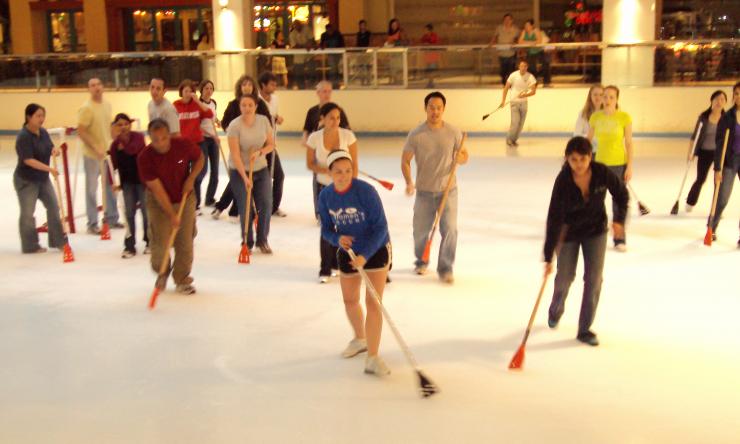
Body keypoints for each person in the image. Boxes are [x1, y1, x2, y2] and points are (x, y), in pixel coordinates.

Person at [544, 136, 629, 347]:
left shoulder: (601, 172)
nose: (579, 164)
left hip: (595, 231)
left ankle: (584, 329)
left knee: (594, 279)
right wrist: (548, 256)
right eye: (574, 160)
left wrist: (619, 220)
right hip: (569, 233)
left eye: (583, 159)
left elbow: (621, 193)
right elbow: (554, 216)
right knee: (565, 276)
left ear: (590, 157)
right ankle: (556, 308)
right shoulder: (563, 181)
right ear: (567, 160)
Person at [318, 150, 392, 376]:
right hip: (348, 252)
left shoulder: (366, 192)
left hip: (376, 249)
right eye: (338, 172)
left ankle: (373, 356)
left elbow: (381, 228)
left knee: (373, 303)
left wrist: (366, 255)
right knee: (350, 300)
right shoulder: (326, 196)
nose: (344, 175)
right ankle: (360, 339)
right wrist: (337, 239)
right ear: (330, 173)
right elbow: (326, 229)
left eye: (348, 171)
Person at [402, 91, 468, 283]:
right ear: (426, 109)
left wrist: (460, 158)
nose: (435, 111)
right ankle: (421, 261)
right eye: (432, 107)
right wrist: (409, 182)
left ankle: (446, 267)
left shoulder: (454, 132)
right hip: (424, 191)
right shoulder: (416, 134)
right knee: (420, 231)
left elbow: (465, 156)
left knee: (450, 229)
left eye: (439, 108)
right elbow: (405, 161)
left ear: (443, 109)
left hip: (448, 191)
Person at [137, 119, 204, 295]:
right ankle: (162, 271)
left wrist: (191, 179)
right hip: (158, 203)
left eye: (164, 138)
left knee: (185, 242)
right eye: (155, 139)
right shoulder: (145, 158)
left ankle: (182, 278)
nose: (160, 143)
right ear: (149, 138)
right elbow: (158, 192)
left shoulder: (182, 145)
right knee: (160, 245)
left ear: (170, 135)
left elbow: (200, 159)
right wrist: (172, 215)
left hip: (185, 197)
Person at [306, 102, 359, 283]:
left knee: (344, 226)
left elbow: (354, 165)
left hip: (344, 188)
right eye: (331, 118)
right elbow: (310, 164)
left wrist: (353, 186)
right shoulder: (314, 138)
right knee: (327, 227)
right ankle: (325, 268)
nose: (335, 121)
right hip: (324, 189)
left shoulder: (348, 136)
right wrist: (327, 172)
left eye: (338, 118)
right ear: (322, 119)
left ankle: (340, 263)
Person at [212, 75, 273, 221]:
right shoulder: (233, 104)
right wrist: (235, 136)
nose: (247, 87)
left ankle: (254, 209)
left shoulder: (260, 104)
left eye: (249, 84)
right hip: (239, 149)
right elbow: (226, 123)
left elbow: (267, 123)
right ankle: (224, 207)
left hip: (258, 149)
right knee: (239, 178)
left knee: (253, 179)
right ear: (240, 87)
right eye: (244, 84)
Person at [227, 95, 276, 254]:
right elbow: (235, 155)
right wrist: (245, 177)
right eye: (243, 105)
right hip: (239, 170)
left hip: (260, 168)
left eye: (250, 105)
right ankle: (247, 241)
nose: (247, 108)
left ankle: (263, 240)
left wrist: (260, 152)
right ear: (240, 107)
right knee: (245, 205)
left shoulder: (263, 121)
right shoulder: (235, 126)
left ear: (255, 106)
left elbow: (271, 145)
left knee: (266, 204)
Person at [13, 103, 65, 254]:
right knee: (28, 213)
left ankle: (58, 241)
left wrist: (55, 150)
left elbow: (50, 147)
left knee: (54, 207)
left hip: (42, 179)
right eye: (38, 116)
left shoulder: (43, 132)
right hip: (26, 180)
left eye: (43, 115)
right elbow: (28, 160)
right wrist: (49, 169)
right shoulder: (23, 137)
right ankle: (30, 245)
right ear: (29, 117)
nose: (42, 119)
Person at [587, 85, 633, 251]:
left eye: (611, 97)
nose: (607, 100)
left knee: (618, 202)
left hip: (619, 165)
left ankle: (619, 238)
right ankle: (595, 234)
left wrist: (630, 166)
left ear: (616, 99)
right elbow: (588, 141)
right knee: (596, 200)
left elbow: (628, 143)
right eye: (605, 96)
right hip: (599, 165)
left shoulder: (624, 118)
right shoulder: (595, 117)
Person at [302, 80, 351, 219]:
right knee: (318, 180)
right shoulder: (312, 112)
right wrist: (307, 142)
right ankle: (319, 211)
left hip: (336, 153)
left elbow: (347, 130)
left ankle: (340, 209)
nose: (327, 94)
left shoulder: (338, 110)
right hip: (318, 152)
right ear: (317, 93)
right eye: (324, 91)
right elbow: (306, 131)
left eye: (329, 91)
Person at [78, 77, 120, 234]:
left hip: (106, 153)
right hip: (91, 155)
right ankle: (92, 223)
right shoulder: (86, 108)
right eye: (92, 86)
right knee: (91, 189)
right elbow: (81, 131)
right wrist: (95, 146)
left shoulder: (107, 105)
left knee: (110, 186)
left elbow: (108, 127)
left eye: (98, 85)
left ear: (103, 87)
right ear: (89, 89)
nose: (96, 88)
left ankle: (112, 218)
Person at [109, 113, 148, 258]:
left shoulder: (138, 137)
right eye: (120, 125)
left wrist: (122, 146)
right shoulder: (114, 145)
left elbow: (134, 149)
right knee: (129, 213)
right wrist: (114, 183)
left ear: (130, 125)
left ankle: (149, 241)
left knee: (146, 212)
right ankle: (129, 245)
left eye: (126, 124)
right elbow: (112, 165)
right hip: (127, 184)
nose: (123, 127)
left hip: (142, 181)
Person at [173, 79, 214, 212]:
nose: (188, 93)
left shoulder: (196, 105)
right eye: (186, 91)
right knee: (183, 173)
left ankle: (194, 199)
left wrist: (197, 101)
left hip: (198, 143)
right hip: (182, 145)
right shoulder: (175, 105)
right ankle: (190, 203)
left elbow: (209, 114)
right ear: (181, 92)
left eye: (191, 91)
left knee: (201, 171)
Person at [709, 81, 740, 245]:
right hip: (730, 160)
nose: (738, 97)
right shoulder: (727, 118)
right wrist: (717, 168)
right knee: (722, 198)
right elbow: (720, 144)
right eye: (736, 94)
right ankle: (711, 227)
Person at [686, 90, 727, 212]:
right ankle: (690, 201)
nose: (719, 102)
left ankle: (716, 208)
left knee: (718, 181)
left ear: (725, 102)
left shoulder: (727, 118)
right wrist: (691, 152)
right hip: (705, 152)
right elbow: (694, 136)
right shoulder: (703, 117)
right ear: (711, 101)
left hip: (720, 154)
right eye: (717, 99)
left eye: (722, 100)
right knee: (701, 179)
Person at [259, 71, 286, 217]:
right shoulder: (256, 99)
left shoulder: (275, 99)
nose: (275, 86)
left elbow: (272, 116)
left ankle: (274, 207)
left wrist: (277, 119)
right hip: (258, 144)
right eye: (272, 84)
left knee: (278, 175)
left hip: (270, 143)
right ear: (263, 85)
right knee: (260, 177)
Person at [500, 59, 537, 149]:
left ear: (527, 67)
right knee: (515, 122)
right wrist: (503, 101)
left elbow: (533, 91)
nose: (523, 68)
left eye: (525, 66)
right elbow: (506, 88)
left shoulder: (530, 77)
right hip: (514, 102)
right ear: (519, 67)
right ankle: (509, 139)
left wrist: (525, 94)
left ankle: (514, 140)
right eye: (521, 66)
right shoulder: (513, 75)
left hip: (524, 103)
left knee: (521, 124)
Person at [199, 79, 221, 207]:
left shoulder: (213, 103)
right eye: (206, 88)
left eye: (211, 88)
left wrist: (218, 121)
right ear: (201, 90)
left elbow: (212, 117)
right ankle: (195, 197)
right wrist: (210, 134)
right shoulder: (198, 104)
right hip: (203, 140)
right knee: (202, 170)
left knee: (215, 171)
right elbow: (196, 125)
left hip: (214, 140)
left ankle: (209, 198)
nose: (209, 91)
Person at [519, 19, 551, 85]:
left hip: (539, 51)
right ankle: (533, 82)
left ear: (532, 25)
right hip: (530, 51)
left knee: (545, 65)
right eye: (525, 25)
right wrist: (531, 43)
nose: (526, 27)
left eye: (528, 25)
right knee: (531, 67)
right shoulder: (524, 32)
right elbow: (520, 42)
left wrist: (526, 42)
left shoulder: (536, 31)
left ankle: (546, 82)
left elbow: (539, 41)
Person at [491, 13, 520, 85]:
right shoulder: (499, 28)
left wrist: (516, 43)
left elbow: (519, 39)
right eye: (505, 19)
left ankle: (511, 84)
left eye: (508, 19)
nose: (507, 21)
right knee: (503, 70)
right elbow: (495, 37)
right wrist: (491, 43)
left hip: (512, 52)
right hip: (502, 52)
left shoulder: (516, 29)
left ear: (512, 20)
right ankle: (504, 83)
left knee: (511, 70)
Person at [289, 20, 315, 89]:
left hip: (309, 55)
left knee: (312, 71)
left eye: (298, 25)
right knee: (298, 73)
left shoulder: (307, 29)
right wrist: (304, 46)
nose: (297, 27)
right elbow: (294, 46)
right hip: (298, 57)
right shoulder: (292, 34)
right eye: (295, 26)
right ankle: (301, 87)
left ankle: (311, 86)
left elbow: (311, 40)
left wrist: (305, 45)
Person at [420, 24, 440, 88]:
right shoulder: (424, 36)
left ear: (429, 30)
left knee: (432, 68)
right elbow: (421, 41)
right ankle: (430, 81)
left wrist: (428, 43)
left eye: (425, 30)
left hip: (432, 53)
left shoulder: (434, 35)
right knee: (428, 68)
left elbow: (435, 42)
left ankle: (431, 82)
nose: (424, 31)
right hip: (427, 53)